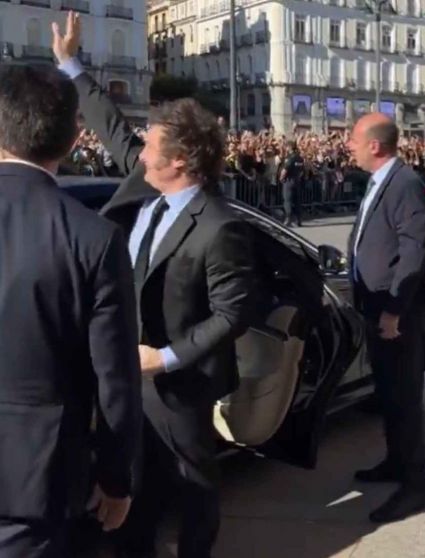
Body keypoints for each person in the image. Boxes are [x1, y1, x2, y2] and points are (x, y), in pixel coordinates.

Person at [54, 13, 257, 557]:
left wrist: (164, 358)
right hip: (124, 373)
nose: (139, 151)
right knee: (132, 482)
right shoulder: (145, 183)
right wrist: (71, 64)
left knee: (193, 486)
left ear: (180, 161)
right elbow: (112, 127)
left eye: (151, 146)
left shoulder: (220, 226)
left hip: (178, 385)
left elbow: (233, 313)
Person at [0, 63, 141, 558]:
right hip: (37, 478)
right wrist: (117, 480)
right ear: (74, 139)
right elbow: (116, 380)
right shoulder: (94, 238)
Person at [347, 113, 425, 524]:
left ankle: (415, 485)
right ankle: (395, 462)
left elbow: (413, 252)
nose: (349, 145)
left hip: (396, 313)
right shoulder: (379, 181)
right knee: (388, 394)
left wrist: (394, 311)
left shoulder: (405, 183)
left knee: (405, 400)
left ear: (375, 145)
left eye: (354, 139)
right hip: (376, 306)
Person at [279, 141, 305, 227]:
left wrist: (281, 178)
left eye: (286, 147)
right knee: (297, 201)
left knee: (287, 200)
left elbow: (285, 169)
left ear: (289, 147)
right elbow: (302, 171)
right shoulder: (300, 158)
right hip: (297, 180)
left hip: (289, 181)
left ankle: (288, 219)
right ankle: (298, 220)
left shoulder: (290, 158)